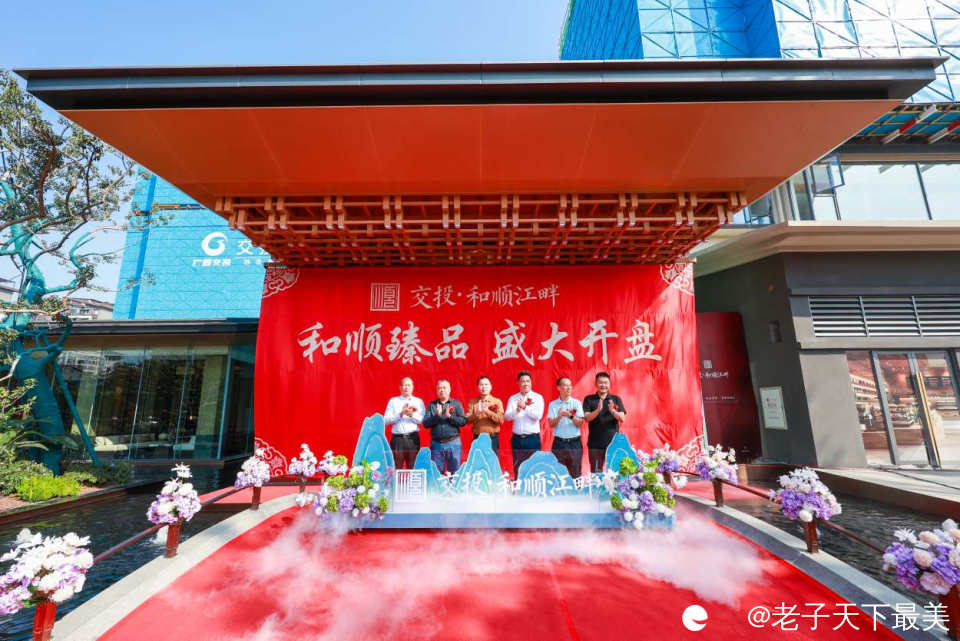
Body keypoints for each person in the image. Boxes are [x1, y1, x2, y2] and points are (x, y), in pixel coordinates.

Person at [583, 371, 627, 474]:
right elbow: (587, 418)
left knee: (614, 473)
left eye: (606, 383)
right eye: (600, 382)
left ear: (609, 384)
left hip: (613, 443)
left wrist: (612, 411)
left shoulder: (615, 399)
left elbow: (622, 418)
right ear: (596, 384)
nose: (603, 385)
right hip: (595, 444)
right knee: (596, 473)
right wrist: (597, 410)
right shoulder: (589, 399)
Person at [504, 370, 545, 478]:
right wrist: (516, 410)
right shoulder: (513, 398)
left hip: (532, 439)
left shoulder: (538, 397)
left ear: (531, 382)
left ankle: (534, 487)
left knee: (534, 467)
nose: (525, 383)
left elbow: (538, 415)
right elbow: (507, 417)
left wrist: (525, 407)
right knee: (518, 467)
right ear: (518, 383)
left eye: (528, 381)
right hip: (517, 439)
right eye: (523, 381)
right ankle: (519, 487)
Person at [422, 379, 467, 475]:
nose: (442, 390)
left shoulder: (456, 404)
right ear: (436, 390)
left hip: (453, 442)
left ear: (449, 389)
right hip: (437, 444)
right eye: (439, 388)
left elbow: (463, 421)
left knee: (455, 472)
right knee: (437, 473)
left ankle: (454, 485)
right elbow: (425, 423)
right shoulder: (432, 405)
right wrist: (437, 416)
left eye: (444, 388)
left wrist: (450, 417)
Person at [383, 377, 425, 470]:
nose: (406, 387)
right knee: (396, 467)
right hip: (397, 439)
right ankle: (396, 480)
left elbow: (423, 420)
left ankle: (411, 480)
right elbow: (385, 420)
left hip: (412, 439)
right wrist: (400, 414)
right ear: (400, 387)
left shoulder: (418, 401)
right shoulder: (393, 401)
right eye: (404, 385)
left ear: (412, 387)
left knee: (413, 467)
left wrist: (411, 415)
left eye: (409, 385)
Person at [548, 376, 585, 479]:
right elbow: (551, 424)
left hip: (574, 443)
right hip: (559, 443)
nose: (568, 388)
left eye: (570, 385)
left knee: (576, 473)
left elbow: (580, 423)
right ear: (558, 388)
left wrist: (570, 416)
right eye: (565, 385)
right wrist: (559, 416)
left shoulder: (576, 403)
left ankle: (577, 489)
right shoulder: (553, 405)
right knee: (558, 474)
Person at [465, 375, 504, 452]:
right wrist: (477, 413)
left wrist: (487, 411)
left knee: (492, 460)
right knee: (477, 459)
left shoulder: (497, 402)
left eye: (486, 384)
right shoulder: (473, 402)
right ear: (478, 387)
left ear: (491, 387)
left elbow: (501, 420)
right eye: (481, 385)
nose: (484, 387)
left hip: (492, 438)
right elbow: (467, 420)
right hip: (477, 438)